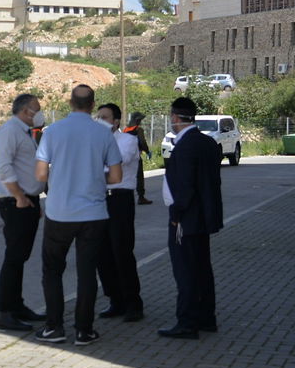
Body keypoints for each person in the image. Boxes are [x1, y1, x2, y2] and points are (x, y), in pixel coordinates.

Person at [32, 84, 124, 346]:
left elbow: (40, 174)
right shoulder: (104, 133)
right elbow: (116, 177)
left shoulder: (53, 132)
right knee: (87, 273)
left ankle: (54, 327)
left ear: (70, 103)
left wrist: (61, 177)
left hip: (59, 212)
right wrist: (94, 176)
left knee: (52, 271)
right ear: (93, 105)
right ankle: (84, 330)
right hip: (93, 214)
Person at [158, 96, 225, 340]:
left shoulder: (185, 147)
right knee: (202, 269)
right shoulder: (207, 142)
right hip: (204, 218)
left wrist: (176, 216)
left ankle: (186, 322)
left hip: (186, 220)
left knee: (185, 271)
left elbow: (184, 187)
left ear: (175, 117)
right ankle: (207, 317)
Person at [0, 94, 47, 331]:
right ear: (25, 110)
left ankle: (17, 305)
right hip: (16, 203)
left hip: (26, 201)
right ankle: (5, 312)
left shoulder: (23, 131)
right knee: (14, 258)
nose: (40, 113)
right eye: (37, 109)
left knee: (20, 257)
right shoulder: (10, 131)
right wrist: (20, 197)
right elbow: (3, 167)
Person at [95, 103, 144, 322]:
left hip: (120, 201)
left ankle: (133, 303)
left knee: (121, 252)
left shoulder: (128, 141)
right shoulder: (94, 142)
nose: (99, 121)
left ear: (116, 121)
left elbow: (115, 164)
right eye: (97, 117)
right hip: (100, 199)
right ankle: (115, 300)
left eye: (104, 117)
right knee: (102, 253)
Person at [124, 112, 155, 204]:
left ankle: (127, 197)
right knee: (139, 177)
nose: (141, 121)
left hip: (127, 156)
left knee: (128, 176)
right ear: (137, 120)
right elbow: (142, 142)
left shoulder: (126, 130)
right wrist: (147, 151)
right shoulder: (138, 129)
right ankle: (141, 197)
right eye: (140, 120)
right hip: (136, 156)